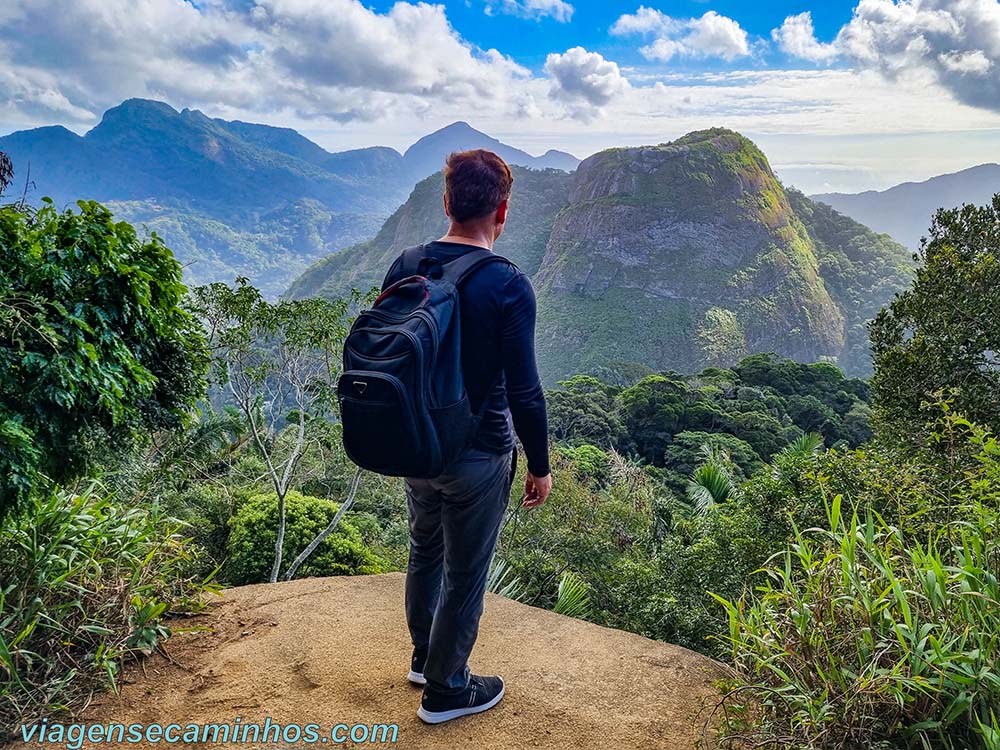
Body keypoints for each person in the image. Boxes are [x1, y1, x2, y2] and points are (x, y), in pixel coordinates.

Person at [380, 149, 552, 725]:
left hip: (415, 444)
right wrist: (540, 463)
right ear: (502, 211)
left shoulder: (406, 262)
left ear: (448, 201)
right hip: (479, 453)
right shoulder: (507, 283)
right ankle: (446, 689)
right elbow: (525, 390)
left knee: (424, 548)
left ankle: (424, 657)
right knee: (466, 569)